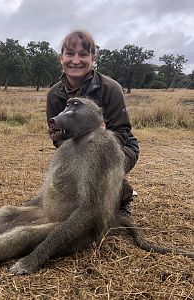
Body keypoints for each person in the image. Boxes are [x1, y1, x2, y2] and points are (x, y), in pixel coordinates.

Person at [46, 30, 139, 215]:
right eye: (70, 54)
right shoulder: (54, 94)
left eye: (83, 54)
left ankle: (122, 197)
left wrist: (98, 139)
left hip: (120, 148)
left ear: (93, 58)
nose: (76, 60)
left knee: (96, 165)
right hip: (76, 149)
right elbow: (56, 137)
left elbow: (122, 131)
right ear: (61, 58)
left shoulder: (110, 88)